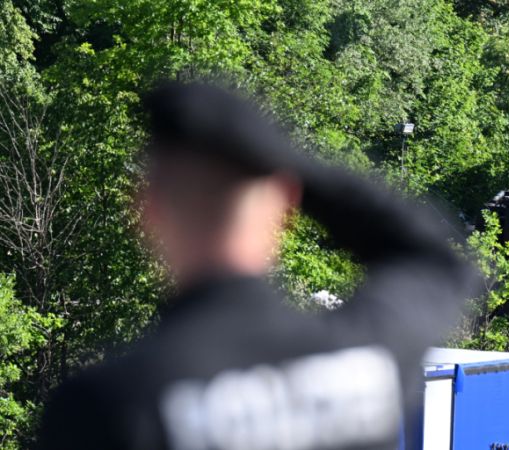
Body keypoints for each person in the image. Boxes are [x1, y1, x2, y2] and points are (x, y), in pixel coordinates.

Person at [37, 82, 478, 450]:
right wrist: (294, 166)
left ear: (149, 211)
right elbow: (433, 256)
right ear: (287, 204)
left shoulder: (107, 406)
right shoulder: (368, 354)